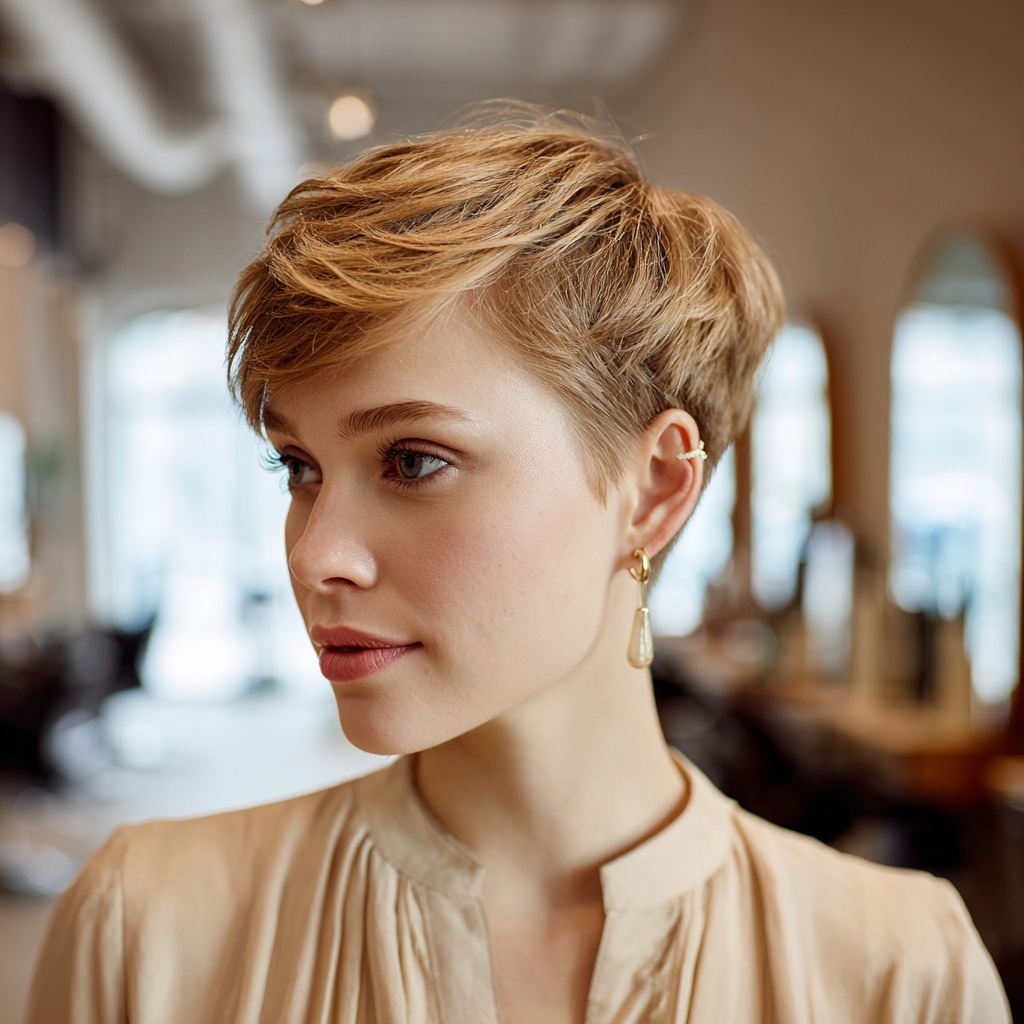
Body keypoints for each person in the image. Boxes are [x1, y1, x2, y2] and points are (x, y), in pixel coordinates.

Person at [27, 107, 1008, 1024]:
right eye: (299, 466)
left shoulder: (897, 970)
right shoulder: (148, 929)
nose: (316, 552)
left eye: (413, 461)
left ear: (655, 489)